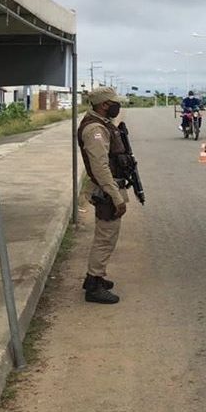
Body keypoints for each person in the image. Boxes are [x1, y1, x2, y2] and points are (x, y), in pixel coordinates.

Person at [78, 87, 130, 304]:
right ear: (103, 104)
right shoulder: (95, 130)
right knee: (105, 237)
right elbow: (100, 167)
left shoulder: (102, 123)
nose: (117, 106)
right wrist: (116, 196)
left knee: (107, 236)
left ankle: (95, 276)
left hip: (109, 188)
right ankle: (94, 284)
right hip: (106, 191)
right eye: (113, 102)